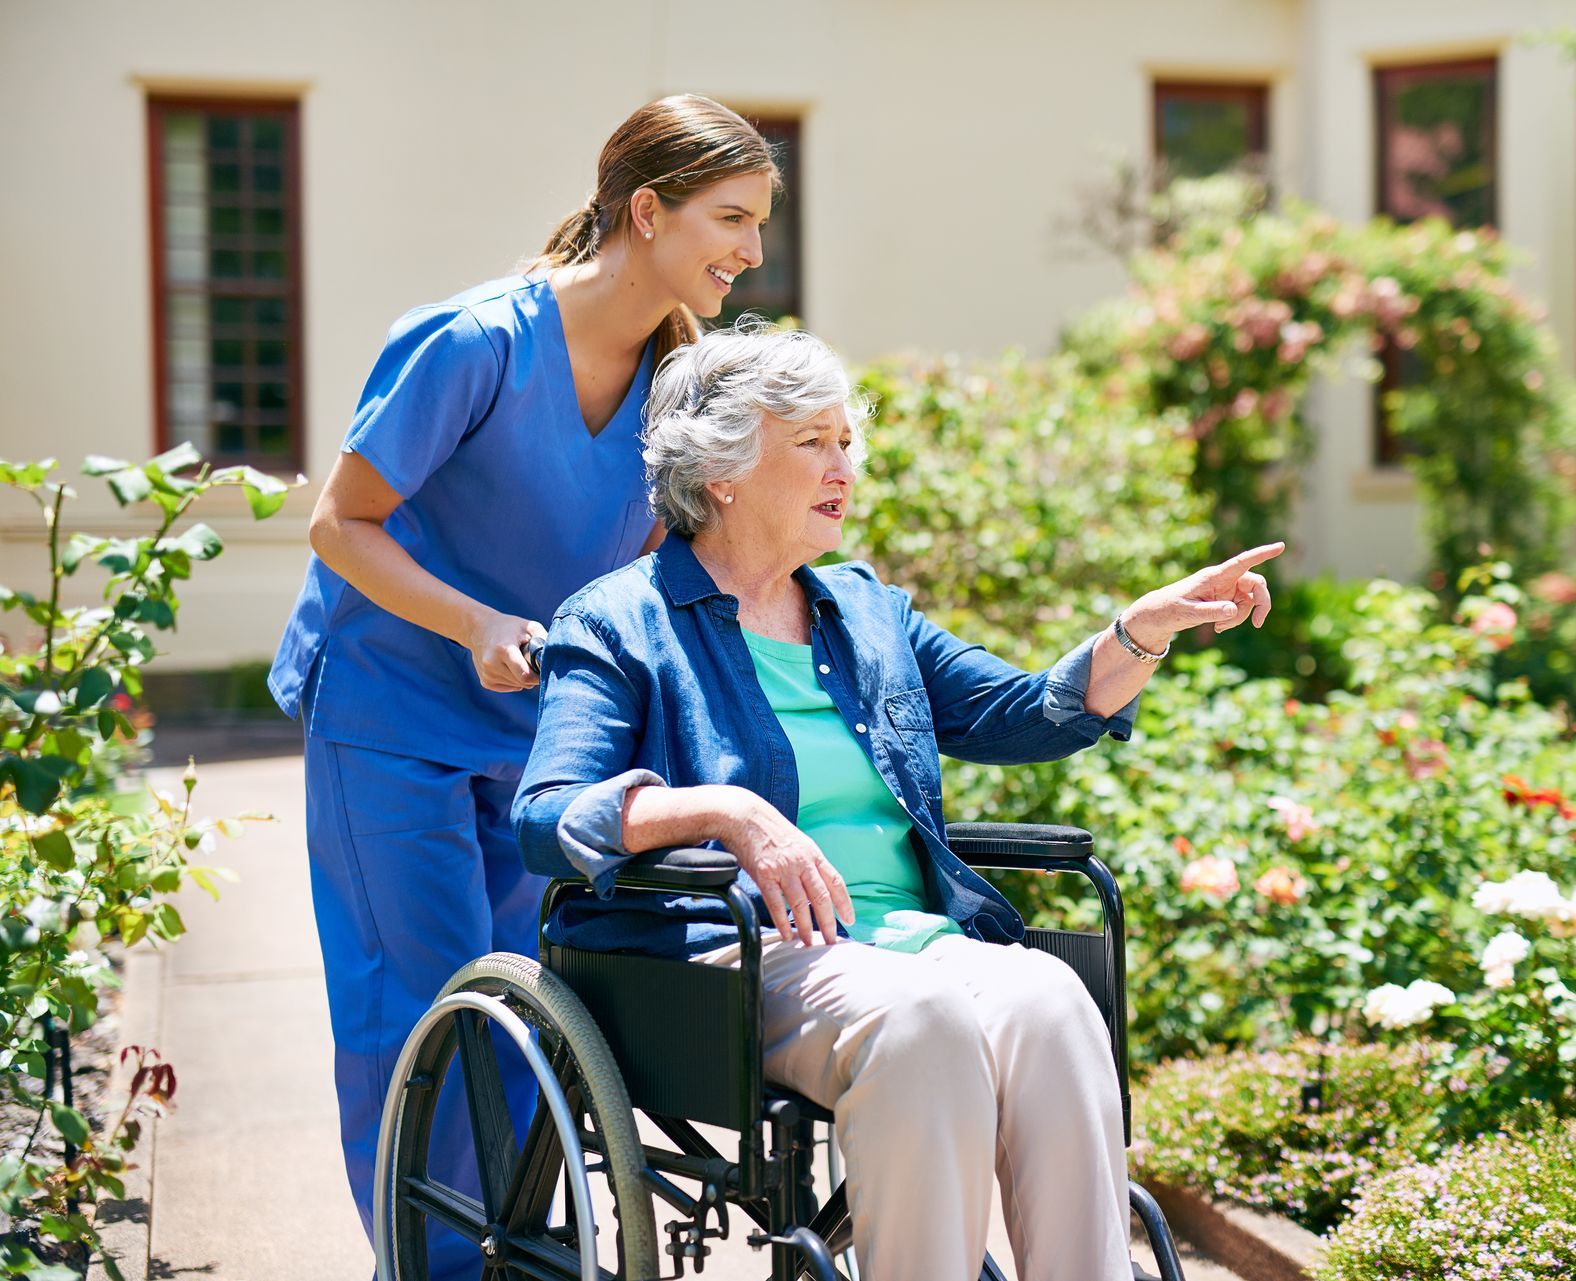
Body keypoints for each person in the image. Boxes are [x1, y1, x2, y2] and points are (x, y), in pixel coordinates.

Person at [514, 323, 1285, 1281]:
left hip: (909, 943)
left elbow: (1022, 713)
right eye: (812, 442)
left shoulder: (868, 613)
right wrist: (726, 811)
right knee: (920, 1017)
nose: (844, 465)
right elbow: (549, 813)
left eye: (846, 440)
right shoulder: (619, 620)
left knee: (1050, 1000)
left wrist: (1139, 631)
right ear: (722, 470)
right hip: (737, 956)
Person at [266, 95, 779, 1275]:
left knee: (528, 1020)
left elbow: (670, 566)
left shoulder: (680, 383)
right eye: (731, 217)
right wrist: (473, 622)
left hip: (536, 733)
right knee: (420, 1009)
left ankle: (520, 1255)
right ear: (646, 211)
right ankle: (438, 1263)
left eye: (760, 223)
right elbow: (339, 525)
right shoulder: (472, 343)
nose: (752, 251)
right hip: (390, 712)